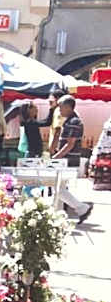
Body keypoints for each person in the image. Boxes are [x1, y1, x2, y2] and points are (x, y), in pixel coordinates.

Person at [52, 95, 93, 224]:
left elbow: (70, 144)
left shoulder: (74, 121)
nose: (59, 110)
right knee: (59, 187)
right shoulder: (70, 120)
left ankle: (82, 208)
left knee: (58, 188)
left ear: (68, 107)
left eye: (61, 107)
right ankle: (68, 211)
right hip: (66, 159)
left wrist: (56, 157)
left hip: (68, 160)